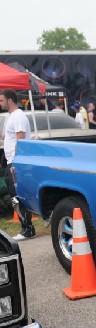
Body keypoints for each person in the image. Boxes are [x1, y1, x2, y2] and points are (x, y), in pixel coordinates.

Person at [0, 90, 36, 240]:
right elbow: (4, 137)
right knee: (15, 195)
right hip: (10, 160)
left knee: (18, 196)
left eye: (1, 100)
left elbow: (20, 140)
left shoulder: (19, 116)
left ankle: (27, 229)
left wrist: (16, 162)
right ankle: (26, 228)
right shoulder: (11, 117)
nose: (0, 103)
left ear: (9, 101)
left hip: (16, 162)